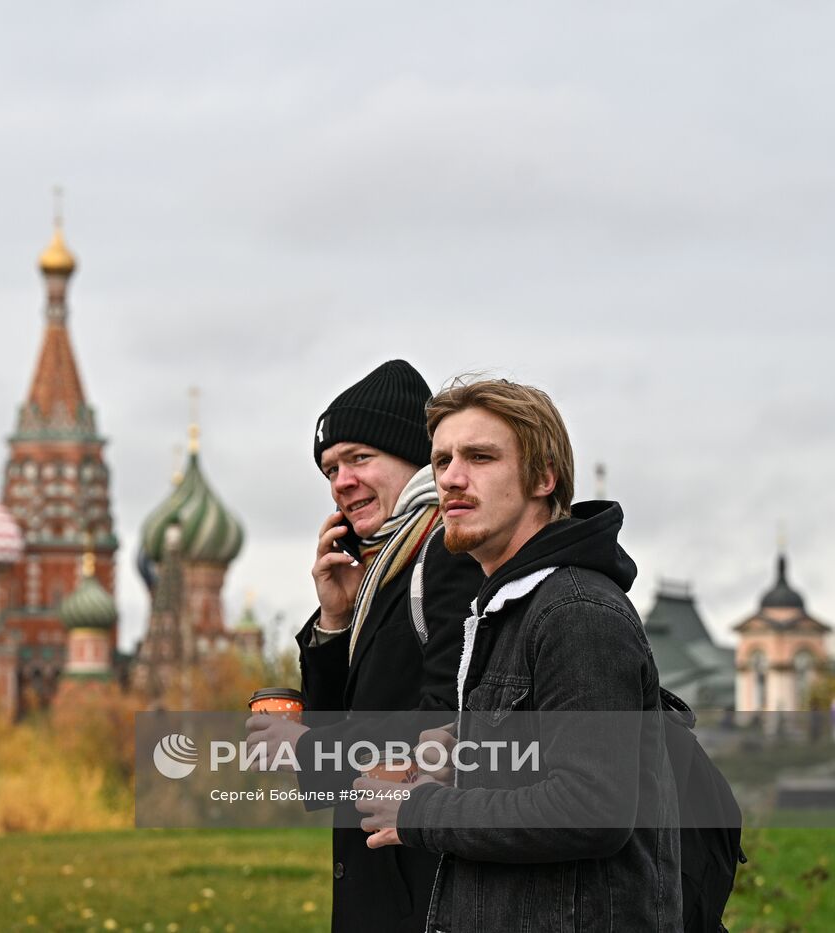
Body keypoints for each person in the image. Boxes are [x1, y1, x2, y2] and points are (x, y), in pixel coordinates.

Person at [353, 376, 681, 931]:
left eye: (480, 457)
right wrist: (458, 748)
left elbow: (592, 807)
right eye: (441, 461)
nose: (451, 479)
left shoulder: (576, 613)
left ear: (543, 477)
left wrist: (422, 813)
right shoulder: (508, 608)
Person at [247, 359, 481, 932]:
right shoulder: (387, 569)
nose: (341, 482)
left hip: (428, 889)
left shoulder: (448, 558)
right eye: (330, 468)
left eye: (359, 459)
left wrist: (306, 748)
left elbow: (450, 725)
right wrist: (334, 621)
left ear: (416, 459)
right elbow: (347, 727)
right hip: (390, 883)